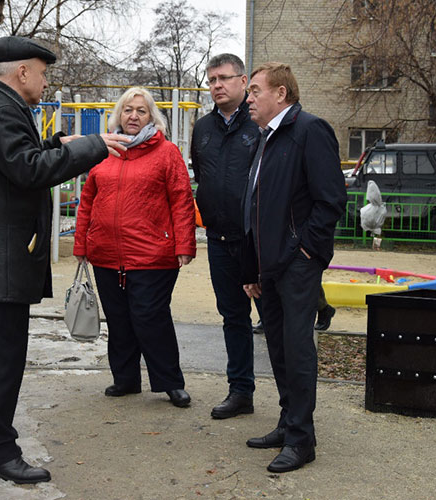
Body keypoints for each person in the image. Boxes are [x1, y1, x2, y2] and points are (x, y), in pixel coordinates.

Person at [0, 36, 128, 485]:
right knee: (2, 356)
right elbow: (28, 170)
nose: (46, 81)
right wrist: (90, 147)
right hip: (1, 261)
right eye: (43, 72)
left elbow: (10, 165)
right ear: (22, 72)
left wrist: (53, 142)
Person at [240, 62, 347, 473]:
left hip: (296, 266)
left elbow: (330, 200)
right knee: (279, 349)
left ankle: (303, 440)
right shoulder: (264, 138)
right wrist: (251, 268)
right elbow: (253, 207)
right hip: (268, 270)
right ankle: (288, 424)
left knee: (297, 350)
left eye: (255, 90)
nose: (248, 98)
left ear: (281, 94)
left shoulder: (309, 130)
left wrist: (306, 254)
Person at [73, 87, 196, 409]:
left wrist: (184, 244)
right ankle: (125, 379)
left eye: (141, 111)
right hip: (105, 254)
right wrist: (81, 243)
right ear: (119, 115)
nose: (133, 116)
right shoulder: (104, 151)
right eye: (128, 110)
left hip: (153, 254)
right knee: (118, 318)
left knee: (149, 317)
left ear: (151, 117)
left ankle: (170, 382)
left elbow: (182, 200)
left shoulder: (166, 152)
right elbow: (87, 202)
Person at [190, 53, 262, 419]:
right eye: (211, 79)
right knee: (233, 317)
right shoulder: (203, 128)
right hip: (219, 240)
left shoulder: (260, 125)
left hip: (258, 243)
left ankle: (291, 402)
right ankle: (240, 391)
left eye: (223, 78)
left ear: (243, 80)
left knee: (274, 320)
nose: (216, 85)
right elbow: (202, 175)